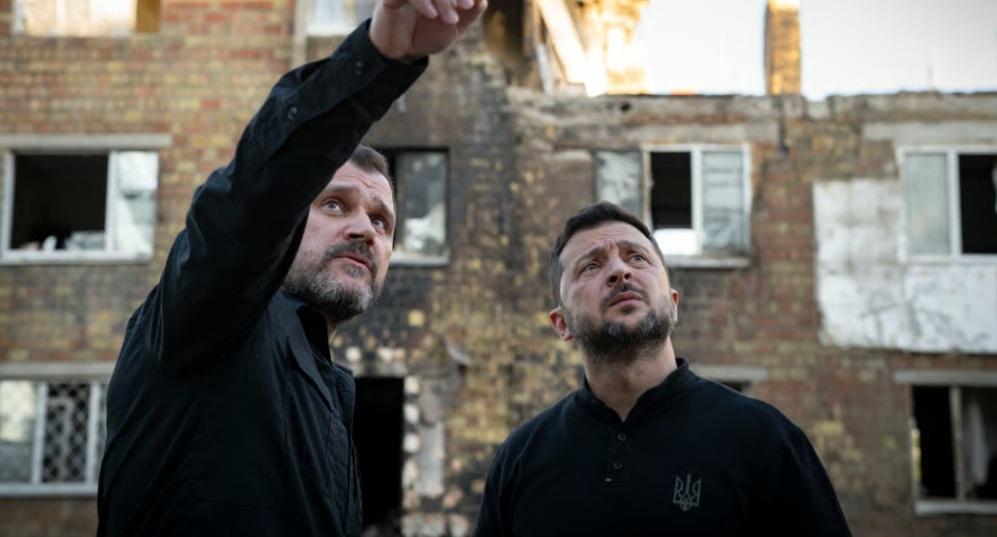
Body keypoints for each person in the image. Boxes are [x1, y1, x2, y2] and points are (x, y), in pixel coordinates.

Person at [96, 2, 486, 536]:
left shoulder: (327, 388)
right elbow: (251, 200)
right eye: (334, 204)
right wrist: (380, 56)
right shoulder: (213, 319)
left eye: (381, 221)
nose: (364, 229)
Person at [474, 202, 852, 537]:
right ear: (561, 324)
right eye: (591, 266)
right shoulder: (521, 458)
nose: (619, 271)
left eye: (637, 258)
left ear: (673, 304)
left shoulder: (764, 438)